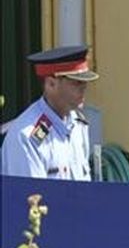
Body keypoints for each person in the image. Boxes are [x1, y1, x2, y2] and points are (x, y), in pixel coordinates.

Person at [1, 45, 100, 180]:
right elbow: (31, 196)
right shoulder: (27, 136)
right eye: (77, 83)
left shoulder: (78, 125)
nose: (84, 88)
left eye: (85, 83)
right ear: (51, 84)